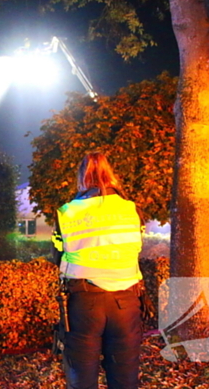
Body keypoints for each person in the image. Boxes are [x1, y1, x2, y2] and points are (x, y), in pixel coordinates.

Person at [52, 152, 143, 389]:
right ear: (110, 175)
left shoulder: (68, 211)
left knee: (81, 377)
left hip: (84, 302)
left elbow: (58, 254)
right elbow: (135, 247)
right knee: (125, 377)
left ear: (81, 177)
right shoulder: (130, 209)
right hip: (126, 301)